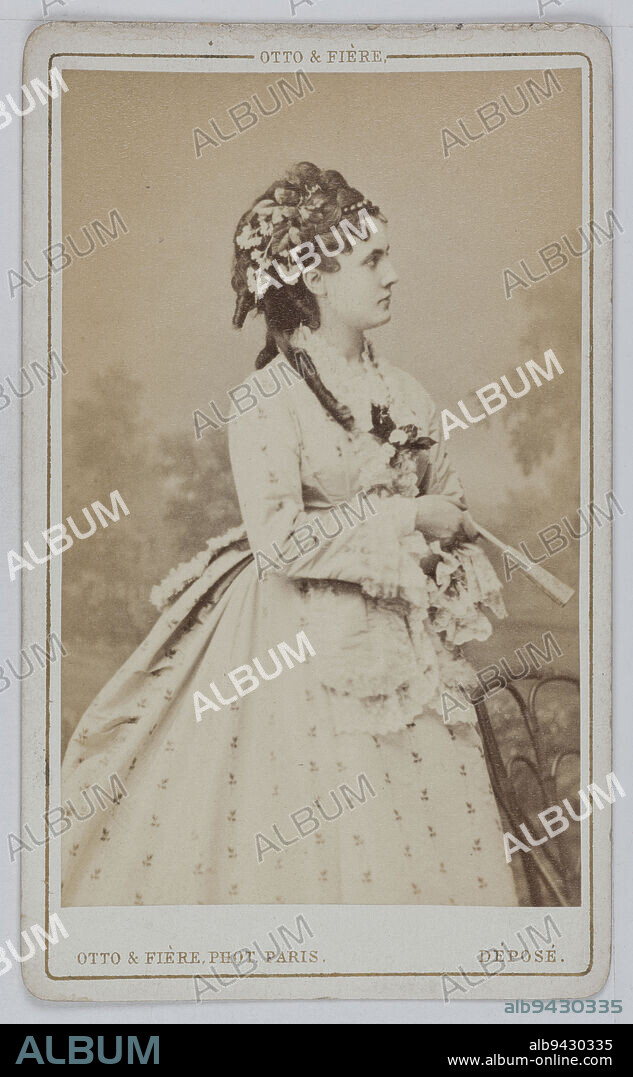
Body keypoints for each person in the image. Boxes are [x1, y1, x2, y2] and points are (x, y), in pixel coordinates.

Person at [62, 162, 518, 907]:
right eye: (372, 259)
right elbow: (278, 540)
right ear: (314, 275)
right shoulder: (266, 400)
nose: (394, 274)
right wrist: (403, 519)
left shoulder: (406, 394)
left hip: (406, 649)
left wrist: (446, 541)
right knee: (320, 842)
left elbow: (447, 498)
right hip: (292, 646)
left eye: (388, 256)